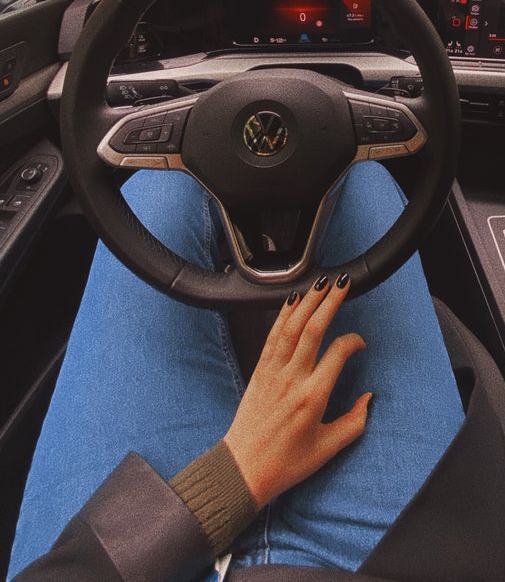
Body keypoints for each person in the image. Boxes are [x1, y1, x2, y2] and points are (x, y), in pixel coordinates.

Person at [8, 162, 465, 581]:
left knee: (157, 183)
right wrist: (236, 475)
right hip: (384, 565)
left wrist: (236, 476)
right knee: (363, 179)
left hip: (131, 556)